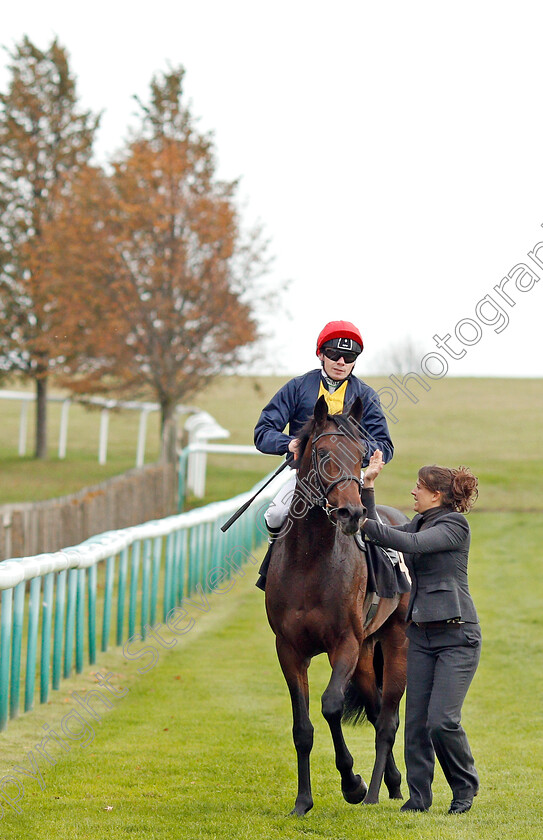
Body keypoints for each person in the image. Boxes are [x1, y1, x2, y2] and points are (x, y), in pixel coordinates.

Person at [360, 451, 481, 815]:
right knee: (415, 724)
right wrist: (367, 487)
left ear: (438, 495)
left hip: (458, 638)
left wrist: (361, 524)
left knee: (441, 722)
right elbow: (386, 535)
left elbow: (407, 546)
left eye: (420, 487)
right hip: (422, 637)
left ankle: (464, 788)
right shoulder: (420, 522)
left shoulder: (454, 526)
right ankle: (419, 798)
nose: (413, 492)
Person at [253, 320, 394, 590]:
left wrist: (352, 452)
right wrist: (288, 443)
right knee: (275, 514)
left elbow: (384, 444)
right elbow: (263, 431)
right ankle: (275, 569)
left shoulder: (366, 395)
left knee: (367, 523)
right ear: (320, 354)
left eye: (349, 356)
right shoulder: (296, 388)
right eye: (333, 354)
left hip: (349, 478)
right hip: (304, 477)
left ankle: (384, 579)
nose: (340, 361)